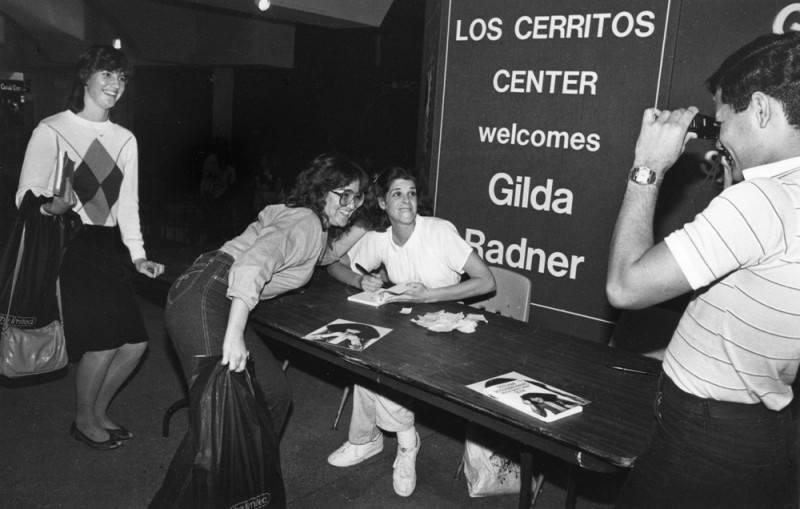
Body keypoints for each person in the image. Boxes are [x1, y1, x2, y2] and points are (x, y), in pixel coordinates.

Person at [606, 32, 800, 509]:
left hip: (705, 440)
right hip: (763, 432)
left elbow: (624, 286)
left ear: (759, 109)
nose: (720, 142)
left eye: (724, 123)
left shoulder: (762, 202)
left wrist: (646, 165)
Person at [15, 45, 164, 450]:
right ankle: (84, 420)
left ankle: (97, 411)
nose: (115, 85)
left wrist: (138, 255)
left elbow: (128, 204)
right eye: (107, 75)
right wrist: (52, 206)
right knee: (102, 342)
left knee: (134, 344)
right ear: (86, 77)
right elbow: (24, 194)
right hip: (71, 244)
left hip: (109, 247)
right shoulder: (52, 129)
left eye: (122, 78)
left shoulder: (125, 139)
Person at [164, 152, 368, 437]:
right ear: (321, 191)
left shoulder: (315, 227)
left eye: (357, 198)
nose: (351, 205)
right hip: (208, 294)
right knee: (219, 419)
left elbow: (318, 256)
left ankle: (252, 473)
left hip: (221, 294)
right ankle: (224, 477)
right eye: (344, 196)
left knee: (273, 394)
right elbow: (251, 266)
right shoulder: (304, 222)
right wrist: (234, 336)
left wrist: (364, 225)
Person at [325, 166, 496, 497]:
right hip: (405, 325)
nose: (406, 200)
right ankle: (370, 440)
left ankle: (402, 444)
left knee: (387, 363)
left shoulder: (439, 232)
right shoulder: (378, 237)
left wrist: (429, 296)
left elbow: (486, 281)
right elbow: (333, 263)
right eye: (397, 193)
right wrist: (361, 280)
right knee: (363, 353)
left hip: (449, 330)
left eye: (412, 193)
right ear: (382, 203)